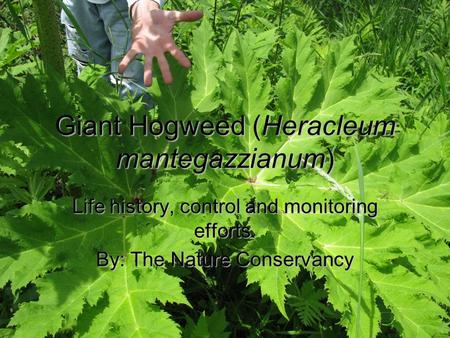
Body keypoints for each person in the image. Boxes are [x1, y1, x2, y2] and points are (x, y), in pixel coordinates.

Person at [61, 0, 202, 101]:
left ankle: (136, 136)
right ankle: (98, 132)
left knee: (132, 89)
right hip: (77, 4)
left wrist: (144, 5)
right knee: (90, 77)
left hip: (126, 5)